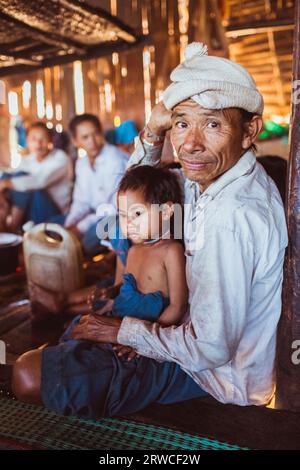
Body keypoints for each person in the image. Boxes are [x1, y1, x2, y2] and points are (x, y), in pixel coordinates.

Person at [0, 42, 288, 419]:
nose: (191, 144)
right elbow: (134, 196)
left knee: (27, 376)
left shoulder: (232, 216)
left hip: (214, 375)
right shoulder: (215, 181)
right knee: (125, 227)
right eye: (182, 123)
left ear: (249, 131)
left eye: (213, 124)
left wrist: (125, 332)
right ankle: (68, 318)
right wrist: (152, 131)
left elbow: (211, 348)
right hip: (188, 341)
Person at [60, 114, 127, 255]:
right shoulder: (81, 163)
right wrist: (70, 224)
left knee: (85, 242)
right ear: (75, 141)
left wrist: (80, 228)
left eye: (95, 134)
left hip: (118, 215)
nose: (92, 141)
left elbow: (113, 207)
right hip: (96, 214)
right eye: (85, 137)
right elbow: (80, 200)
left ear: (102, 133)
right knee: (56, 226)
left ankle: (83, 256)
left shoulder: (115, 160)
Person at [0, 122, 72, 232]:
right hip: (30, 211)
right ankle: (3, 221)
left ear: (50, 141)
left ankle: (12, 226)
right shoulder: (27, 160)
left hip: (53, 212)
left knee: (26, 184)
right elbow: (10, 180)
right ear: (27, 141)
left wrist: (5, 184)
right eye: (33, 139)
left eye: (43, 139)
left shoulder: (60, 157)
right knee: (7, 177)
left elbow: (40, 181)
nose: (38, 143)